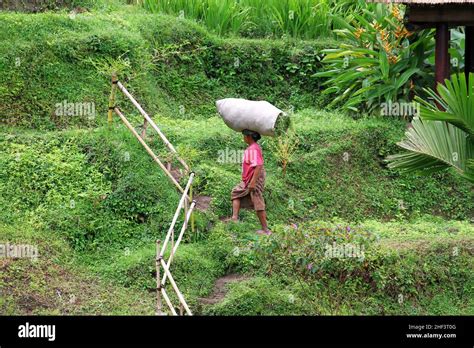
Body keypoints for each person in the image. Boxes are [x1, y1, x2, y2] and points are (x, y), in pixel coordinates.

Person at [226, 129, 271, 235]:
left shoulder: (253, 149)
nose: (243, 138)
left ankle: (266, 230)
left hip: (253, 180)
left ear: (249, 137)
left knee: (257, 201)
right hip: (248, 179)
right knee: (236, 193)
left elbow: (259, 165)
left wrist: (253, 182)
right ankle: (234, 218)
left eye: (244, 136)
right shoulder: (252, 148)